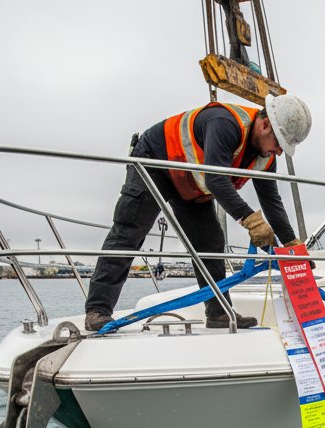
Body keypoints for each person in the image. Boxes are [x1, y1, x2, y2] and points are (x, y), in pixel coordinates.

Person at [84, 94, 312, 332]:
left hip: (190, 182)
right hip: (154, 162)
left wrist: (292, 246)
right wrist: (251, 221)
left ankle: (219, 313)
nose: (278, 152)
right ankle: (98, 310)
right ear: (265, 124)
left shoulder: (265, 157)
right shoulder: (225, 123)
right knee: (130, 230)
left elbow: (272, 202)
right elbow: (216, 180)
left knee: (211, 242)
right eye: (279, 144)